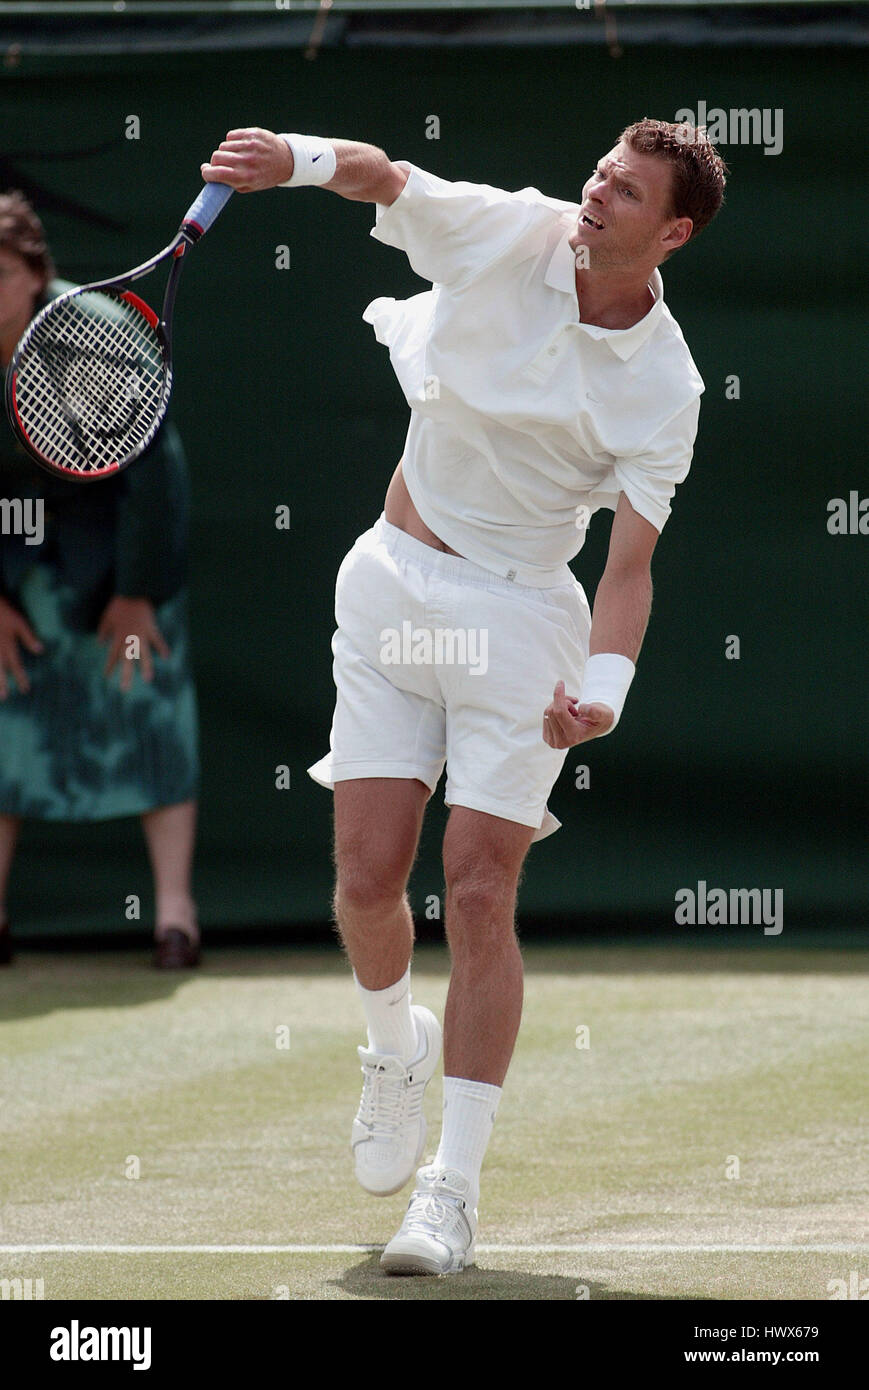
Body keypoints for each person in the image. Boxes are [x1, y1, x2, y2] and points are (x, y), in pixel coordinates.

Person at [202, 119, 727, 1273]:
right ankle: (391, 1048)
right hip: (391, 582)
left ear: (671, 232)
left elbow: (626, 569)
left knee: (479, 890)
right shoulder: (508, 229)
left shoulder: (668, 388)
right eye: (597, 172)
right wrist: (285, 157)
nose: (595, 195)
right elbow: (382, 175)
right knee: (364, 877)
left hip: (522, 621)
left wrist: (602, 691)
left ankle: (452, 1187)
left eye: (626, 192)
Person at [0, 191, 200, 969]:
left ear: (35, 272)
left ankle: (174, 917)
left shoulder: (92, 338)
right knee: (7, 712)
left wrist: (135, 591)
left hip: (121, 539)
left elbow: (154, 471)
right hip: (17, 541)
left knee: (149, 713)